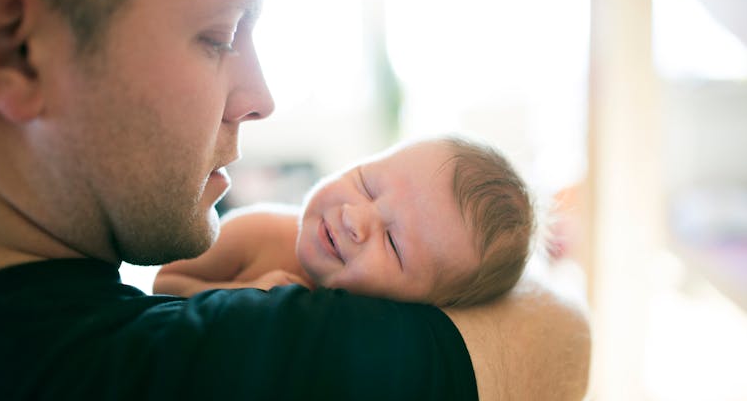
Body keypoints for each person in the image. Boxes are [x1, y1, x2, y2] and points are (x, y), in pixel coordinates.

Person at [0, 0, 591, 401]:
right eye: (218, 37)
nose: (262, 98)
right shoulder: (185, 376)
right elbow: (561, 339)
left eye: (395, 243)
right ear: (14, 48)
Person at [155, 135, 535, 308]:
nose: (354, 217)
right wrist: (244, 294)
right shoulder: (260, 232)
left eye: (393, 243)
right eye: (366, 184)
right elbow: (164, 284)